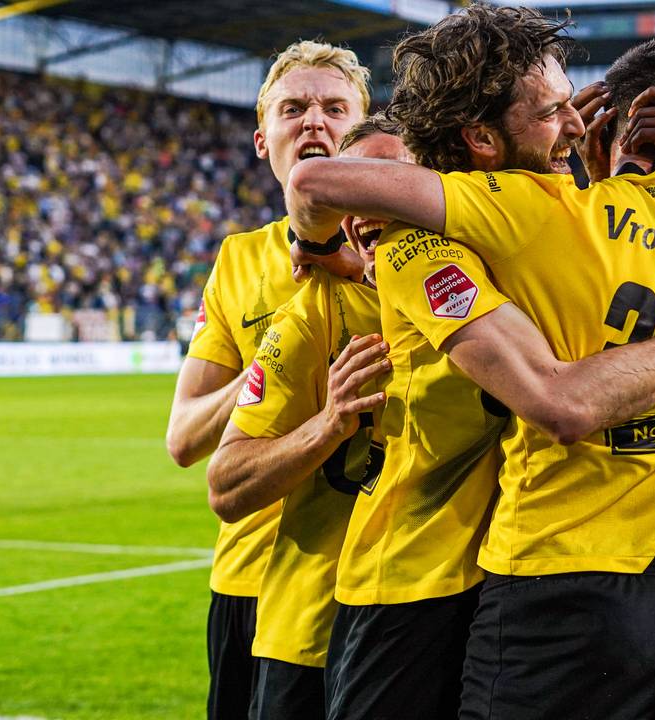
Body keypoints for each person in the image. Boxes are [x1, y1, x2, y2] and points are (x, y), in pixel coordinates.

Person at [285, 20, 655, 719]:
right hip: (427, 577)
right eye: (554, 110)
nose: (575, 122)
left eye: (579, 103)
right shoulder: (429, 240)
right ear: (481, 140)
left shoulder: (568, 212)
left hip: (554, 572)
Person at [161, 40, 371, 720]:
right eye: (294, 108)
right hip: (251, 580)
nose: (314, 121)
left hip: (378, 577)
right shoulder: (239, 260)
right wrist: (272, 359)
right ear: (263, 139)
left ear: (365, 129)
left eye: (335, 108)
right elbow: (186, 438)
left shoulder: (417, 244)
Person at [203, 120, 409, 720]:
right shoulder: (313, 313)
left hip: (426, 619)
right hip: (310, 630)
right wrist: (328, 423)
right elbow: (226, 482)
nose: (372, 202)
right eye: (357, 189)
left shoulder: (482, 302)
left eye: (393, 181)